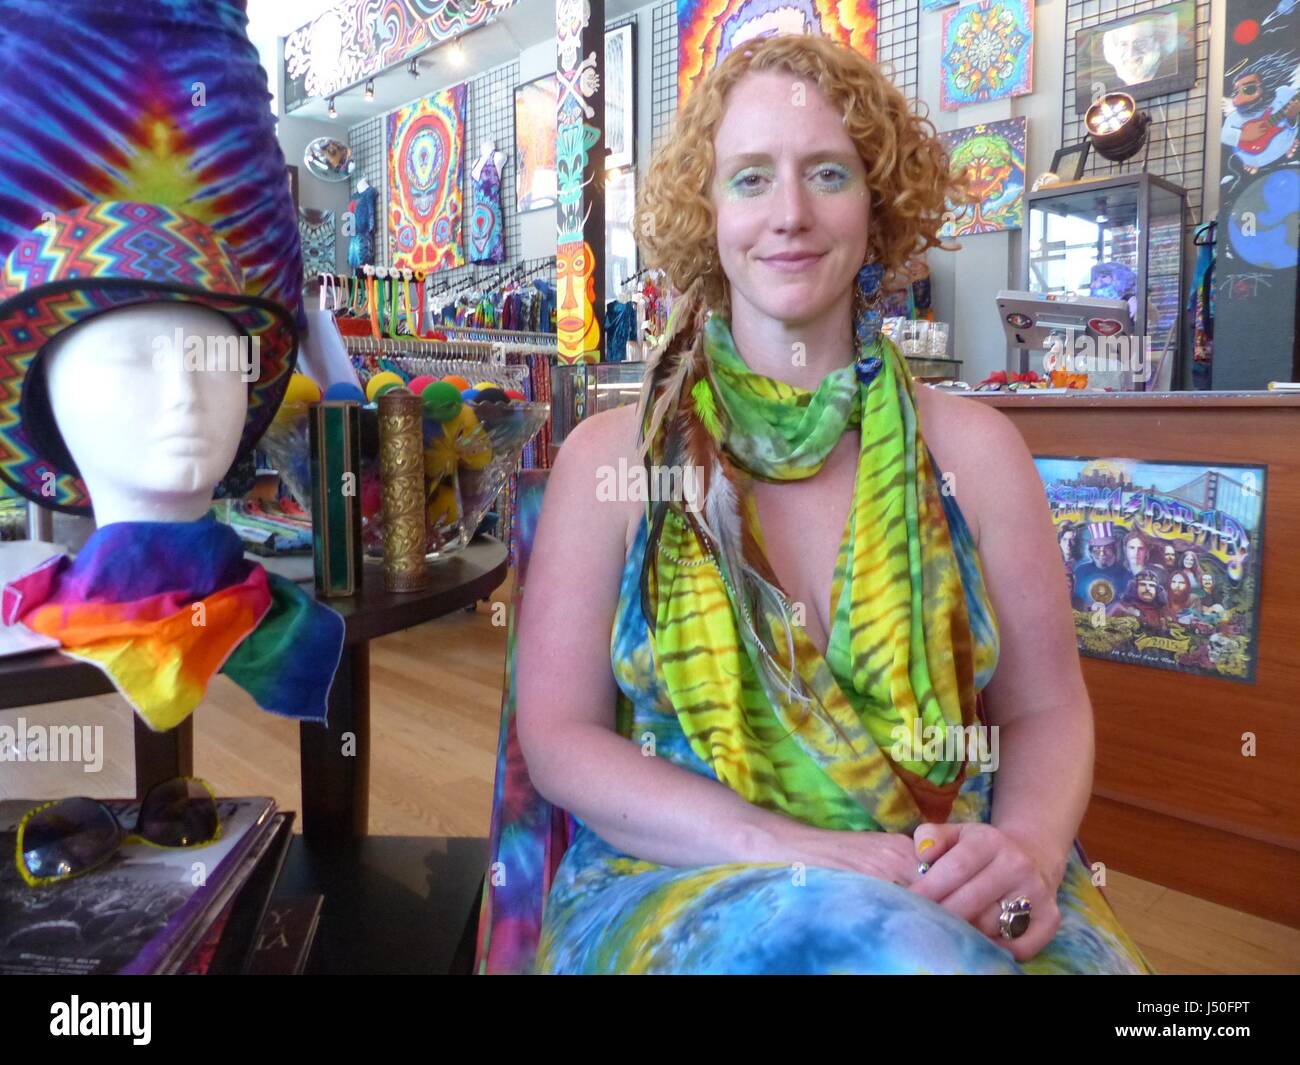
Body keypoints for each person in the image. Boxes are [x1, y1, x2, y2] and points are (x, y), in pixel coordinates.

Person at [509, 34, 1149, 974]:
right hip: (679, 874)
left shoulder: (974, 451)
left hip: (944, 867)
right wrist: (803, 852)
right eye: (752, 178)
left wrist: (1028, 850)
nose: (793, 214)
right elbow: (559, 740)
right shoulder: (612, 460)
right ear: (707, 208)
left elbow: (1047, 711)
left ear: (878, 201)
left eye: (828, 174)